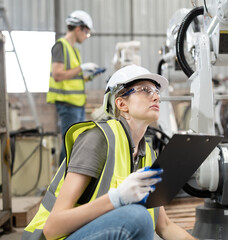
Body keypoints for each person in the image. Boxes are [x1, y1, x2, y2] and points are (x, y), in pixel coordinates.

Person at [23, 64, 196, 240]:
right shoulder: (97, 139)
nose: (156, 97)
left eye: (156, 91)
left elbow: (165, 226)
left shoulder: (148, 154)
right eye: (146, 90)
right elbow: (53, 227)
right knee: (137, 217)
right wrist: (117, 199)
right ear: (121, 103)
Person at [46, 10, 100, 165]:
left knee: (76, 144)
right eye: (87, 33)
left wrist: (89, 76)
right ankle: (62, 184)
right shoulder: (60, 46)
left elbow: (70, 76)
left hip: (76, 104)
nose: (86, 36)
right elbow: (58, 75)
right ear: (78, 29)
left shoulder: (74, 49)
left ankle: (69, 181)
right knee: (70, 145)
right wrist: (81, 68)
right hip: (67, 105)